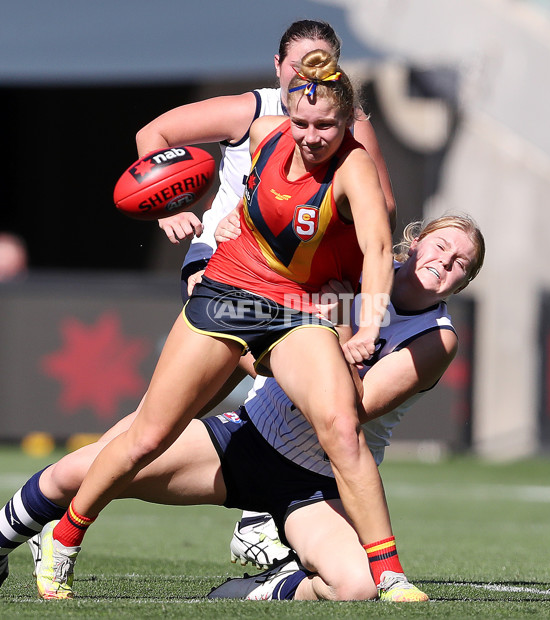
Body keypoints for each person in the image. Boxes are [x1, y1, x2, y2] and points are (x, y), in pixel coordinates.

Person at [32, 48, 398, 600]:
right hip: (228, 296)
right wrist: (226, 213)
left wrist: (368, 325)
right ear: (287, 113)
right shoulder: (265, 133)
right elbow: (229, 180)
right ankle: (65, 535)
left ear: (347, 123)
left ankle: (390, 575)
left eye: (326, 125)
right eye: (302, 123)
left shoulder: (355, 165)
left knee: (342, 428)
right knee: (147, 437)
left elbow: (375, 245)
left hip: (294, 310)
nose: (311, 136)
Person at [0, 214, 485, 601]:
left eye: (461, 263)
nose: (445, 262)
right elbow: (260, 322)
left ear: (462, 284)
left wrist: (321, 337)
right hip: (249, 439)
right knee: (80, 472)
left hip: (318, 482)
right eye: (441, 246)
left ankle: (264, 586)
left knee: (356, 586)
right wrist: (229, 229)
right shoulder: (351, 271)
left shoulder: (435, 339)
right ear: (415, 242)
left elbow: (349, 410)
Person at [138, 18, 397, 565]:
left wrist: (343, 246)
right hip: (227, 267)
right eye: (298, 63)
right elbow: (153, 137)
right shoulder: (255, 112)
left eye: (322, 61)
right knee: (165, 422)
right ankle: (56, 505)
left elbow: (384, 212)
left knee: (334, 399)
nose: (308, 72)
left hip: (305, 285)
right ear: (277, 67)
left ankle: (272, 514)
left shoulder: (346, 127)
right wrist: (172, 207)